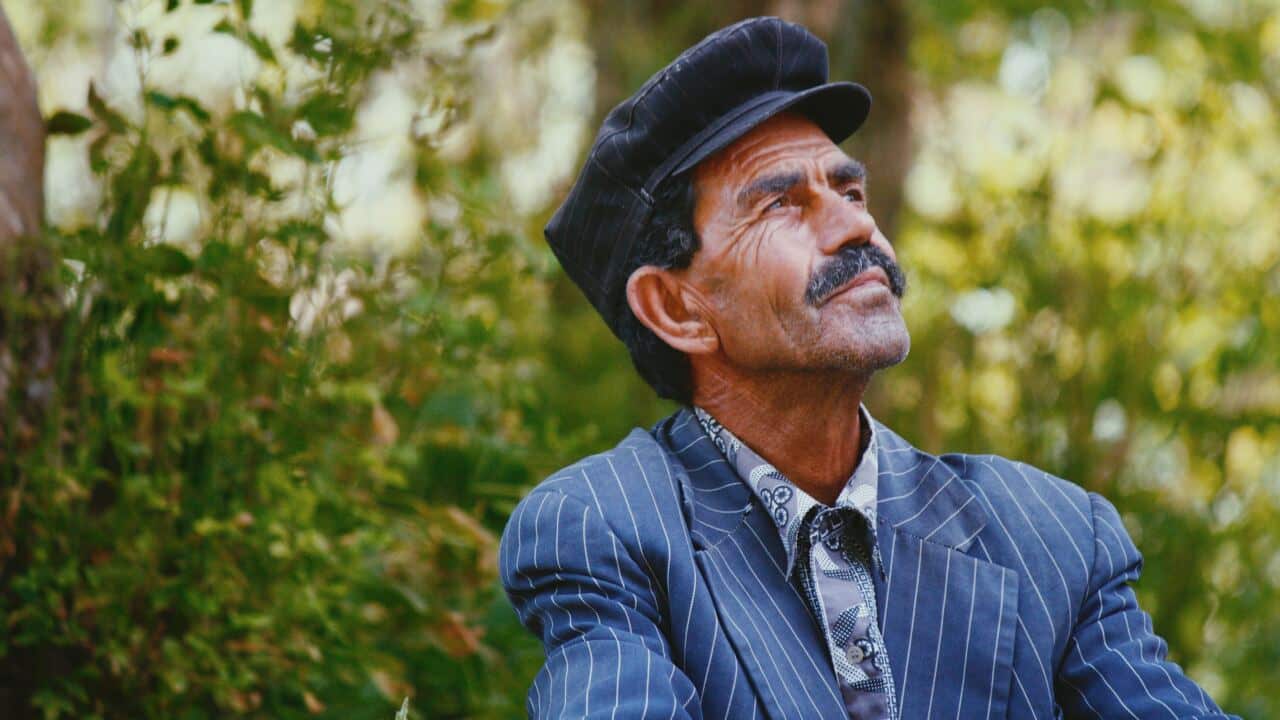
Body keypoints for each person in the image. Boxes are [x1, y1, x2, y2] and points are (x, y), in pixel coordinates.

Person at [499, 16, 1236, 719]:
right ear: (676, 309)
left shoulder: (1053, 533)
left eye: (849, 190)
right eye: (782, 204)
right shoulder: (606, 528)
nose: (856, 224)